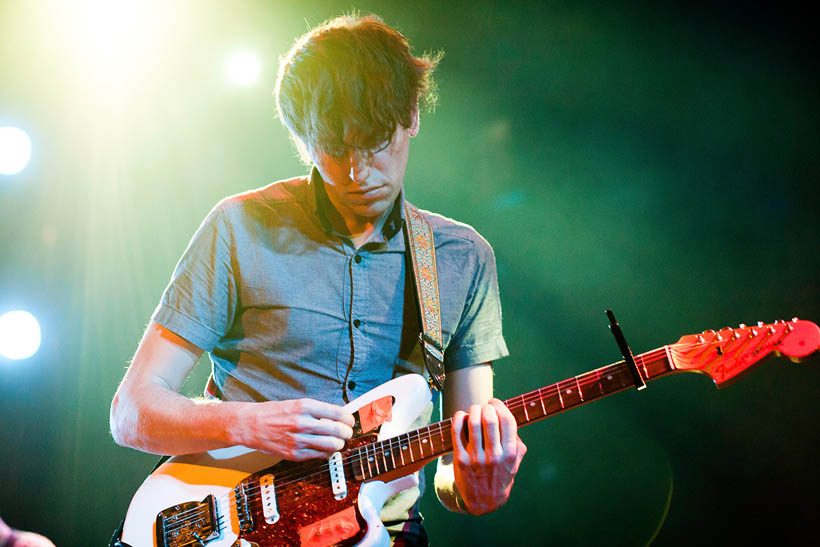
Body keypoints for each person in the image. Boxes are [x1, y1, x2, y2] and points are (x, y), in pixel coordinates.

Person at [110, 13, 526, 545]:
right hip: (239, 527)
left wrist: (480, 486)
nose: (357, 171)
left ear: (413, 116)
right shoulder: (239, 227)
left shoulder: (462, 258)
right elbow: (132, 411)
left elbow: (454, 473)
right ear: (301, 140)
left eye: (375, 142)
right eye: (334, 148)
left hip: (381, 531)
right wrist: (246, 423)